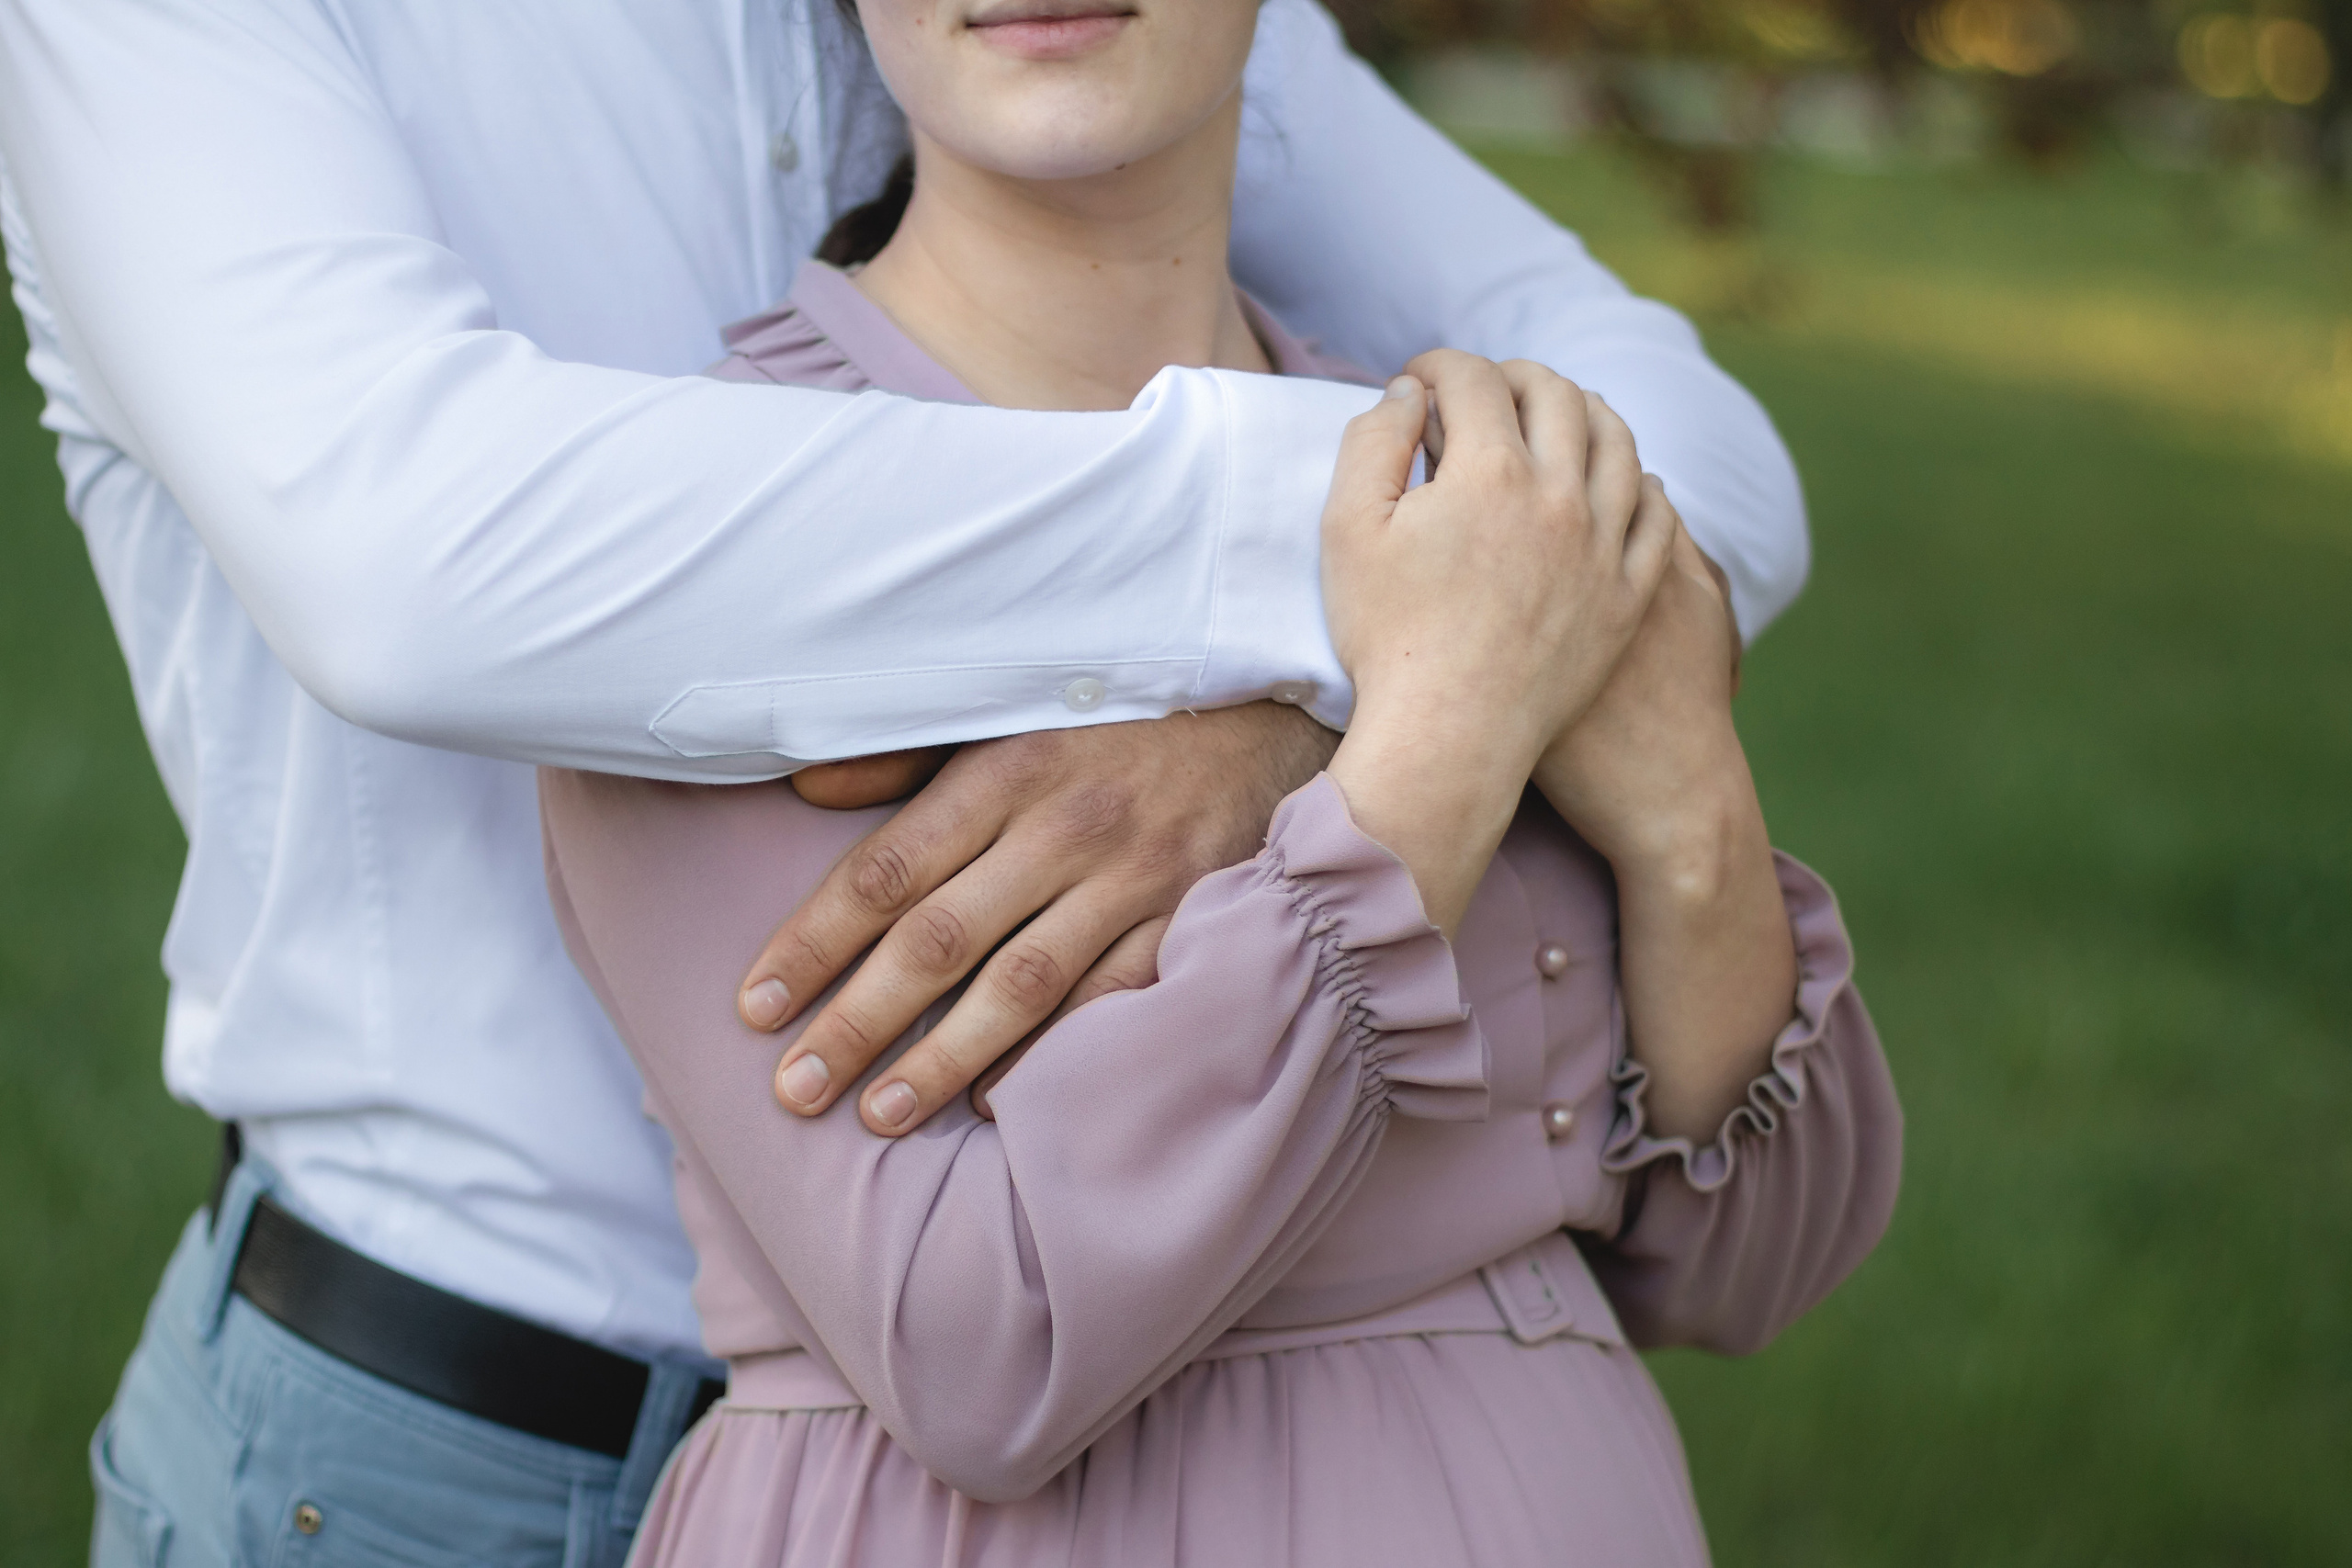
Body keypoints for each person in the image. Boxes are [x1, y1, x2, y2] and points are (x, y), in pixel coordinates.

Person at [0, 2, 1809, 1565]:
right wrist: (1395, 577)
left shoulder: (1078, 45)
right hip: (446, 1424)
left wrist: (1305, 707)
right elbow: (411, 567)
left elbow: (1698, 449)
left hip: (1191, 1398)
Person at [537, 0, 1899, 1560]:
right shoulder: (698, 531)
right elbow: (987, 1353)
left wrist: (1690, 828)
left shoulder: (1482, 492)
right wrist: (1438, 740)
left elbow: (1749, 1266)